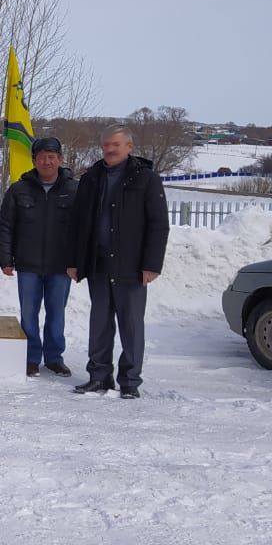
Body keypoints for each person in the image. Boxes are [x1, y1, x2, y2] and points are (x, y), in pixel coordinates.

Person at [67, 125, 170, 398]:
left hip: (132, 267)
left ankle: (130, 382)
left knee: (131, 326)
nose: (110, 150)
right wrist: (74, 261)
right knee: (99, 324)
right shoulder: (92, 177)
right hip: (98, 263)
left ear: (129, 147)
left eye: (115, 144)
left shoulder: (146, 178)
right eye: (106, 145)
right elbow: (78, 223)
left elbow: (159, 225)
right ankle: (99, 377)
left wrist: (151, 265)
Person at [0, 136, 77, 377]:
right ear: (34, 160)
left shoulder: (74, 189)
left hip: (60, 266)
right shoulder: (19, 189)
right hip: (28, 264)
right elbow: (5, 226)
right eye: (41, 157)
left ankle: (54, 358)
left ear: (60, 159)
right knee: (28, 315)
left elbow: (83, 229)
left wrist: (78, 261)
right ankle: (30, 358)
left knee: (56, 314)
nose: (47, 161)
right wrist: (5, 259)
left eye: (52, 156)